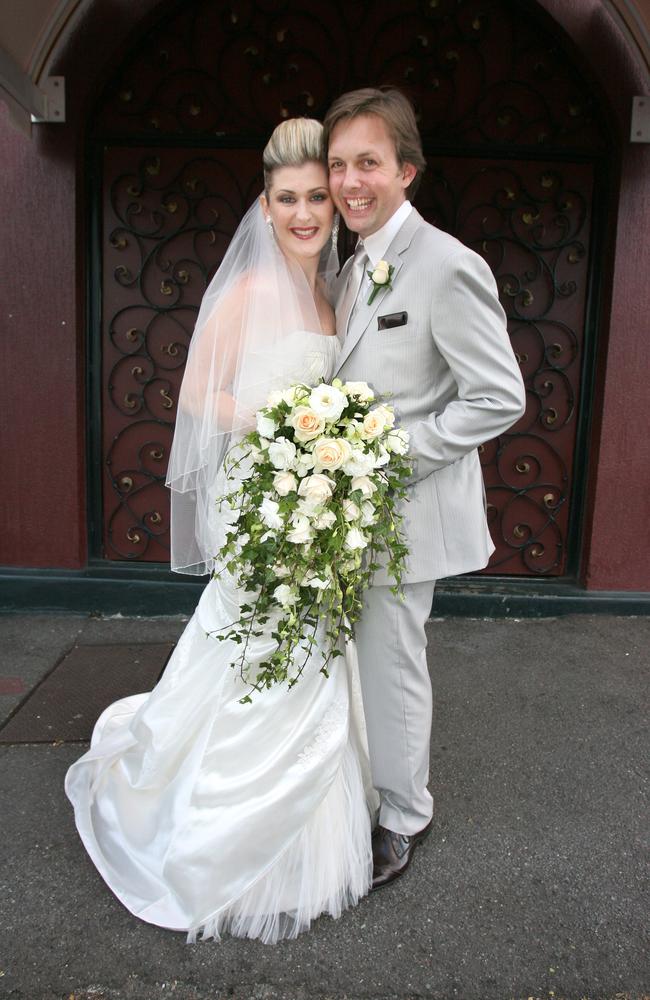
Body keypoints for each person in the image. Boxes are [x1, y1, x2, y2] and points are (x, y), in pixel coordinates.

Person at [65, 118, 377, 944]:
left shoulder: (335, 290)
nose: (306, 213)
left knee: (315, 645)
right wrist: (299, 428)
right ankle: (209, 829)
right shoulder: (246, 293)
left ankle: (304, 829)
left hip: (315, 492)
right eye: (289, 199)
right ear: (265, 205)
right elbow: (203, 399)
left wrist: (332, 442)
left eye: (318, 196)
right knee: (255, 639)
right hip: (266, 490)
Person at [323, 87, 526, 889]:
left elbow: (498, 396)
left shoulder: (447, 265)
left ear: (407, 169)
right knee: (355, 658)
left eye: (367, 162)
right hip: (338, 509)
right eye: (339, 165)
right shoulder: (347, 264)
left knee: (393, 660)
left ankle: (405, 814)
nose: (349, 182)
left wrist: (387, 457)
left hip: (406, 509)